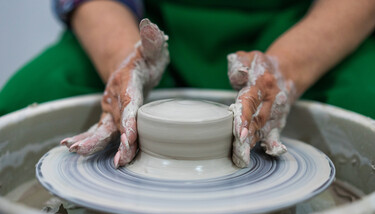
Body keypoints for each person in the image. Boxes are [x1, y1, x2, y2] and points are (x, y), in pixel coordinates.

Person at [0, 0, 374, 167]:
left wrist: (286, 67)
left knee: (365, 110)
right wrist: (123, 57)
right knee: (27, 101)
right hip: (147, 30)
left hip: (304, 30)